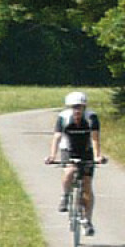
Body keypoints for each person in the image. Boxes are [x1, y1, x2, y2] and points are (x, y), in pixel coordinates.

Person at [49, 91, 109, 236]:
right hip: (68, 149)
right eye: (74, 107)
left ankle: (87, 220)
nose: (77, 110)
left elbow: (95, 138)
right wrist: (52, 156)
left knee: (87, 185)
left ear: (84, 107)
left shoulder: (91, 117)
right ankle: (65, 195)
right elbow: (57, 137)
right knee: (69, 171)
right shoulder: (63, 117)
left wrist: (98, 156)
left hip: (86, 150)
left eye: (80, 107)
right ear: (69, 107)